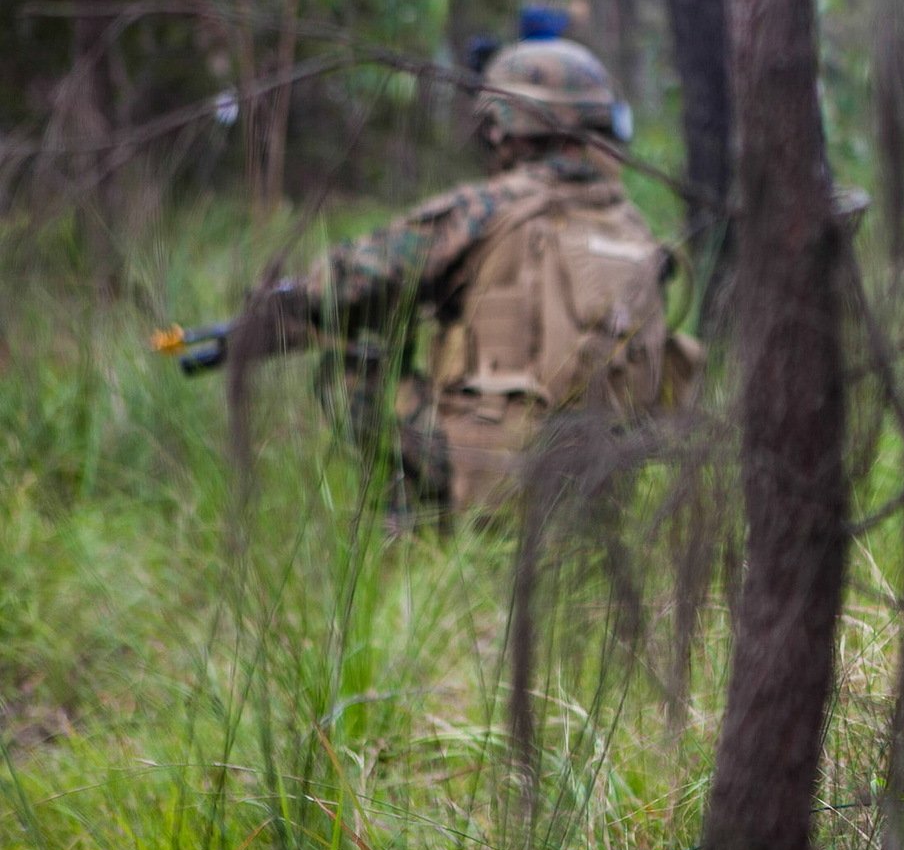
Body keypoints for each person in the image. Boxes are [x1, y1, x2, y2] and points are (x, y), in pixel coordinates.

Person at [234, 37, 697, 525]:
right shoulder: (636, 229)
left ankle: (414, 526)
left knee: (351, 369)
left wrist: (282, 307)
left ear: (506, 129)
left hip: (497, 484)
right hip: (602, 492)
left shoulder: (486, 209)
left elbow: (346, 282)